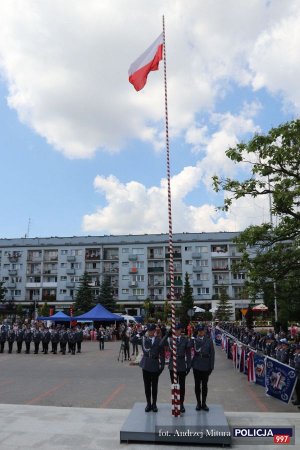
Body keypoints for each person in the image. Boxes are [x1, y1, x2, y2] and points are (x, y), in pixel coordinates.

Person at [135, 323, 165, 413]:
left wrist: (162, 366)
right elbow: (132, 340)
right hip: (146, 364)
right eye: (149, 330)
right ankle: (148, 404)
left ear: (154, 331)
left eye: (152, 330)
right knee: (147, 386)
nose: (151, 332)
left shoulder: (158, 340)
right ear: (147, 331)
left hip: (155, 365)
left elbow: (162, 354)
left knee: (154, 386)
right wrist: (140, 333)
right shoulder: (144, 339)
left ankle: (154, 404)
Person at [164, 323, 191, 413]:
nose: (177, 331)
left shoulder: (185, 339)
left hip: (182, 364)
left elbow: (188, 353)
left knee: (182, 386)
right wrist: (166, 334)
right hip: (173, 365)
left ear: (181, 330)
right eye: (175, 330)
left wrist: (189, 365)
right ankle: (175, 402)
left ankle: (181, 403)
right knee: (174, 385)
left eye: (178, 329)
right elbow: (161, 345)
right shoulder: (170, 340)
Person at [191, 324, 215, 412]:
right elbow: (188, 348)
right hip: (196, 365)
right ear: (197, 331)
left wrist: (211, 366)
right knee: (197, 385)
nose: (201, 332)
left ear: (205, 331)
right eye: (199, 331)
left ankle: (204, 403)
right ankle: (198, 403)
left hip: (206, 365)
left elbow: (212, 354)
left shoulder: (209, 340)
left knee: (204, 385)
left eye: (202, 330)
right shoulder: (194, 340)